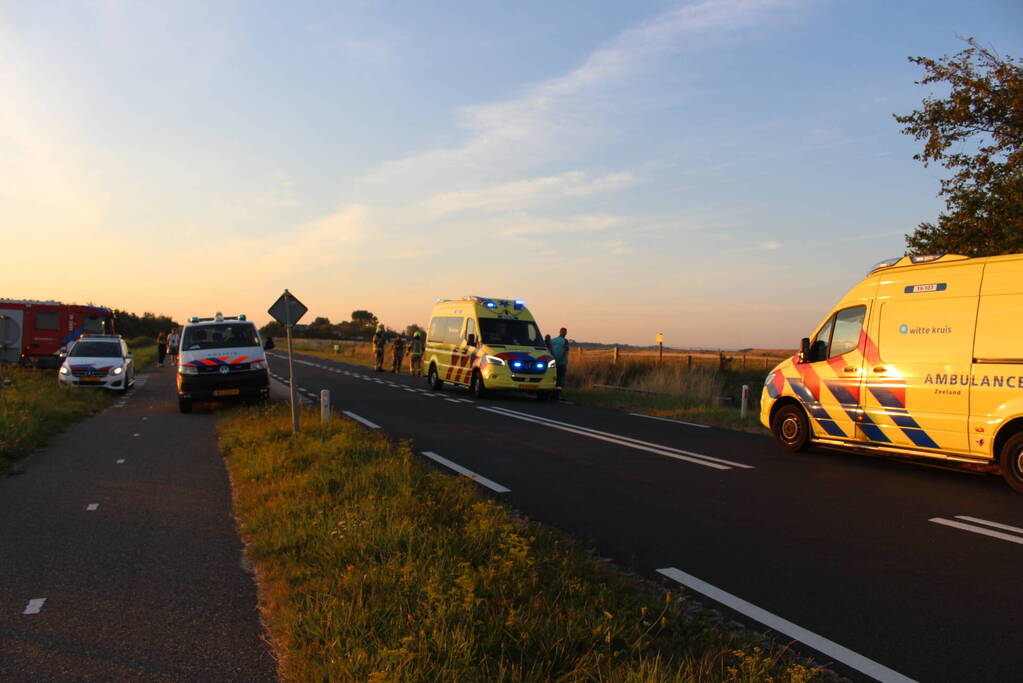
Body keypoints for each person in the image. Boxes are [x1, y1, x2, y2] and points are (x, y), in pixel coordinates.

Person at [548, 327, 569, 399]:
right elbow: (565, 351)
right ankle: (557, 395)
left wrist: (553, 359)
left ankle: (551, 394)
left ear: (559, 332)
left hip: (553, 363)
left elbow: (549, 350)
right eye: (565, 332)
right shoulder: (565, 341)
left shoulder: (553, 340)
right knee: (560, 380)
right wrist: (559, 360)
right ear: (565, 333)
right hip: (561, 363)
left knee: (553, 378)